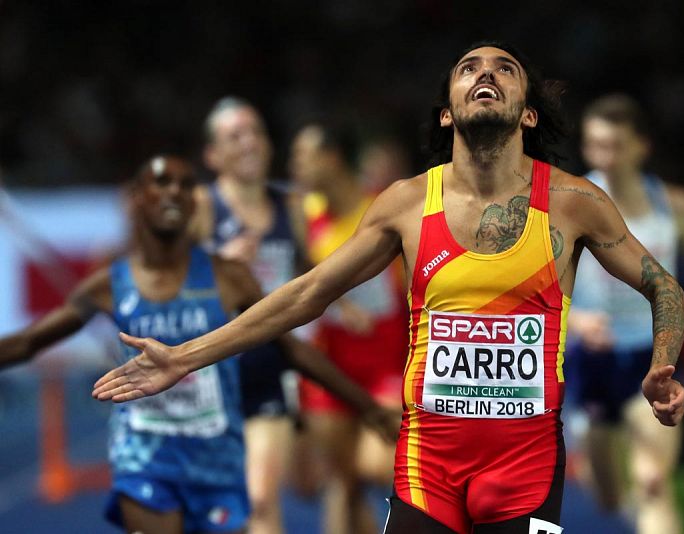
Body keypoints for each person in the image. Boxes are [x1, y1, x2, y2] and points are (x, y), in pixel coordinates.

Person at [94, 41, 684, 534]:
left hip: (524, 467)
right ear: (447, 113)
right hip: (426, 465)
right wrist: (184, 357)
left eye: (504, 69)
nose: (485, 74)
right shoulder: (406, 204)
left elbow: (664, 286)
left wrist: (663, 363)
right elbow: (308, 293)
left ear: (527, 112)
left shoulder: (573, 202)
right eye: (468, 69)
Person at [0, 155, 395, 534]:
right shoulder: (111, 283)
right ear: (137, 200)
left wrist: (371, 410)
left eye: (185, 184)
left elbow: (292, 349)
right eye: (160, 182)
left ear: (196, 203)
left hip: (217, 459)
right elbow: (30, 342)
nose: (173, 191)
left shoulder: (229, 278)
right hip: (145, 459)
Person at [566, 94, 684, 534]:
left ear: (641, 147)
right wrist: (576, 322)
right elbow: (539, 282)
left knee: (653, 481)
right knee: (610, 497)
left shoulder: (673, 204)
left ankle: (649, 498)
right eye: (596, 146)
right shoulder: (572, 203)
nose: (606, 158)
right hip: (592, 364)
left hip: (653, 359)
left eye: (615, 146)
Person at [192, 96, 305, 534]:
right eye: (234, 136)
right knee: (215, 512)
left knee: (259, 500)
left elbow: (311, 278)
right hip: (209, 378)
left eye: (255, 131)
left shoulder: (290, 206)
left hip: (269, 368)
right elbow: (167, 287)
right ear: (212, 154)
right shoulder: (201, 205)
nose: (248, 143)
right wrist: (219, 264)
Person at [288, 121, 407, 534]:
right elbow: (300, 281)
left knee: (377, 465)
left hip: (385, 360)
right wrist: (340, 302)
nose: (295, 166)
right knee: (342, 483)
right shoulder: (304, 215)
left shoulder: (383, 208)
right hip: (329, 366)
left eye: (304, 156)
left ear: (332, 157)